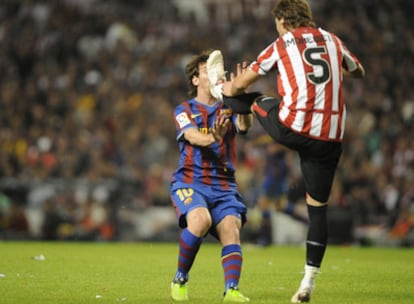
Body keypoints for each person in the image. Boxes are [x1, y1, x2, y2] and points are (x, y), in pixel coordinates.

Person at [222, 0, 365, 303]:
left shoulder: (283, 42)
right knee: (317, 209)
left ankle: (236, 117)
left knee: (248, 97)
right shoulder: (333, 40)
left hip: (295, 127)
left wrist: (230, 88)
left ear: (285, 20)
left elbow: (244, 82)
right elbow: (358, 71)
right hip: (329, 139)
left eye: (277, 23)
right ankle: (308, 283)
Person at [170, 49, 252, 302]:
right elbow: (192, 136)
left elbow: (244, 127)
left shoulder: (228, 107)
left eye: (216, 70)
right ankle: (180, 278)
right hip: (190, 182)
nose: (214, 73)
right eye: (207, 70)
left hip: (224, 185)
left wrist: (242, 99)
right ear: (195, 80)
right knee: (200, 219)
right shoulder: (183, 109)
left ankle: (231, 290)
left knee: (231, 228)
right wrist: (212, 137)